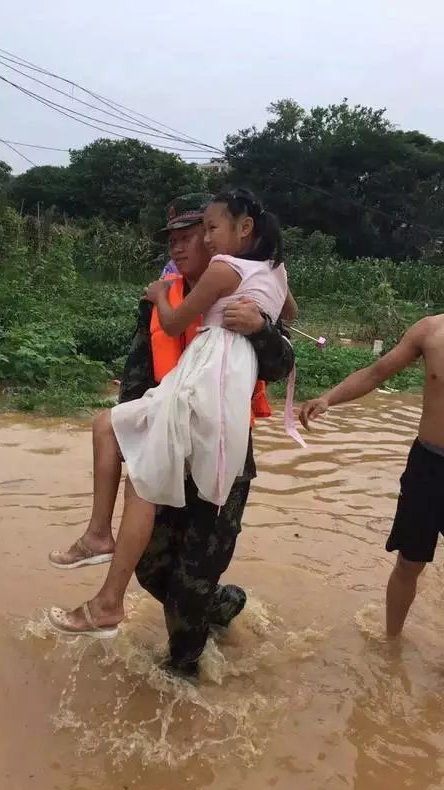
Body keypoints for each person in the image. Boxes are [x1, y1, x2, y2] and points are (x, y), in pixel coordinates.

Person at [48, 191, 295, 660]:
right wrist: (130, 443)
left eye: (192, 236)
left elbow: (282, 365)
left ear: (216, 240)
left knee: (191, 582)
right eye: (173, 241)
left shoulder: (245, 289)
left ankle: (183, 676)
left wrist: (261, 330)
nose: (180, 248)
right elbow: (139, 375)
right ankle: (214, 608)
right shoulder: (161, 298)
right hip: (167, 440)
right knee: (151, 567)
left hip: (223, 457)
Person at [299, 315, 444, 638]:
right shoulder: (431, 330)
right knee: (409, 563)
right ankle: (391, 644)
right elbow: (376, 373)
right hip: (428, 467)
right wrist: (327, 398)